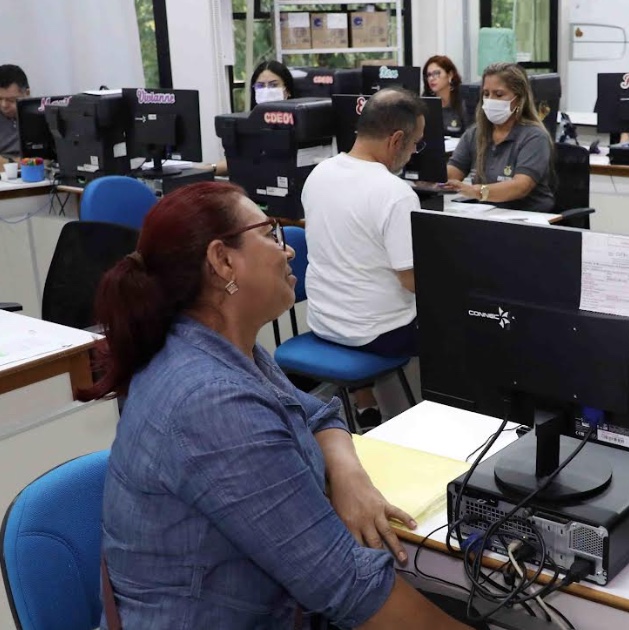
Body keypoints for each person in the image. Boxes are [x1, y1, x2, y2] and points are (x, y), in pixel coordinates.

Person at [83, 182, 471, 629]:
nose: (288, 252)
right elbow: (348, 587)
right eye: (270, 234)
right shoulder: (210, 403)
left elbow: (316, 413)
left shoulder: (221, 344)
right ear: (222, 260)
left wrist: (348, 475)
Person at [302, 88, 425, 427]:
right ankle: (421, 422)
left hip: (324, 323)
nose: (414, 153)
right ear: (396, 139)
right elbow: (411, 280)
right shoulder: (396, 194)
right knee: (462, 316)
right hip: (378, 335)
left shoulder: (318, 175)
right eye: (415, 144)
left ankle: (367, 405)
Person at [445, 62, 555, 212]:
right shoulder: (475, 134)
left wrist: (476, 191)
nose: (490, 100)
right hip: (487, 216)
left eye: (499, 94)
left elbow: (520, 187)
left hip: (528, 220)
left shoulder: (534, 137)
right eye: (486, 94)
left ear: (519, 99)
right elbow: (452, 173)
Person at [215, 60, 298, 176]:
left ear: (287, 90)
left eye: (273, 85)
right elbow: (239, 161)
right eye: (260, 86)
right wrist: (209, 169)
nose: (266, 90)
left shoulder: (299, 121)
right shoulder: (248, 123)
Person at [423, 54, 466, 136]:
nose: (432, 78)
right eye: (429, 75)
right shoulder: (425, 102)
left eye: (436, 73)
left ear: (450, 75)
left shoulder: (463, 100)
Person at [0, 64, 29, 164]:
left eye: (11, 100)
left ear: (27, 94)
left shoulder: (42, 116)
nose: (4, 105)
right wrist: (16, 164)